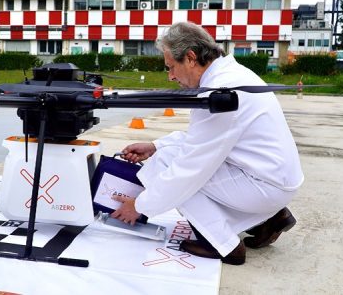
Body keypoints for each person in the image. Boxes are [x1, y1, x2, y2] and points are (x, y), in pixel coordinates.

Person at [111, 22, 303, 265]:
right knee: (168, 154)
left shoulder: (218, 90)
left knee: (169, 166)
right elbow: (204, 139)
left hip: (265, 184)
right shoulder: (230, 74)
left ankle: (223, 244)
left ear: (190, 58)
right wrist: (156, 144)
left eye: (171, 67)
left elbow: (190, 167)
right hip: (273, 177)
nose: (170, 76)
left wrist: (139, 205)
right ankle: (270, 219)